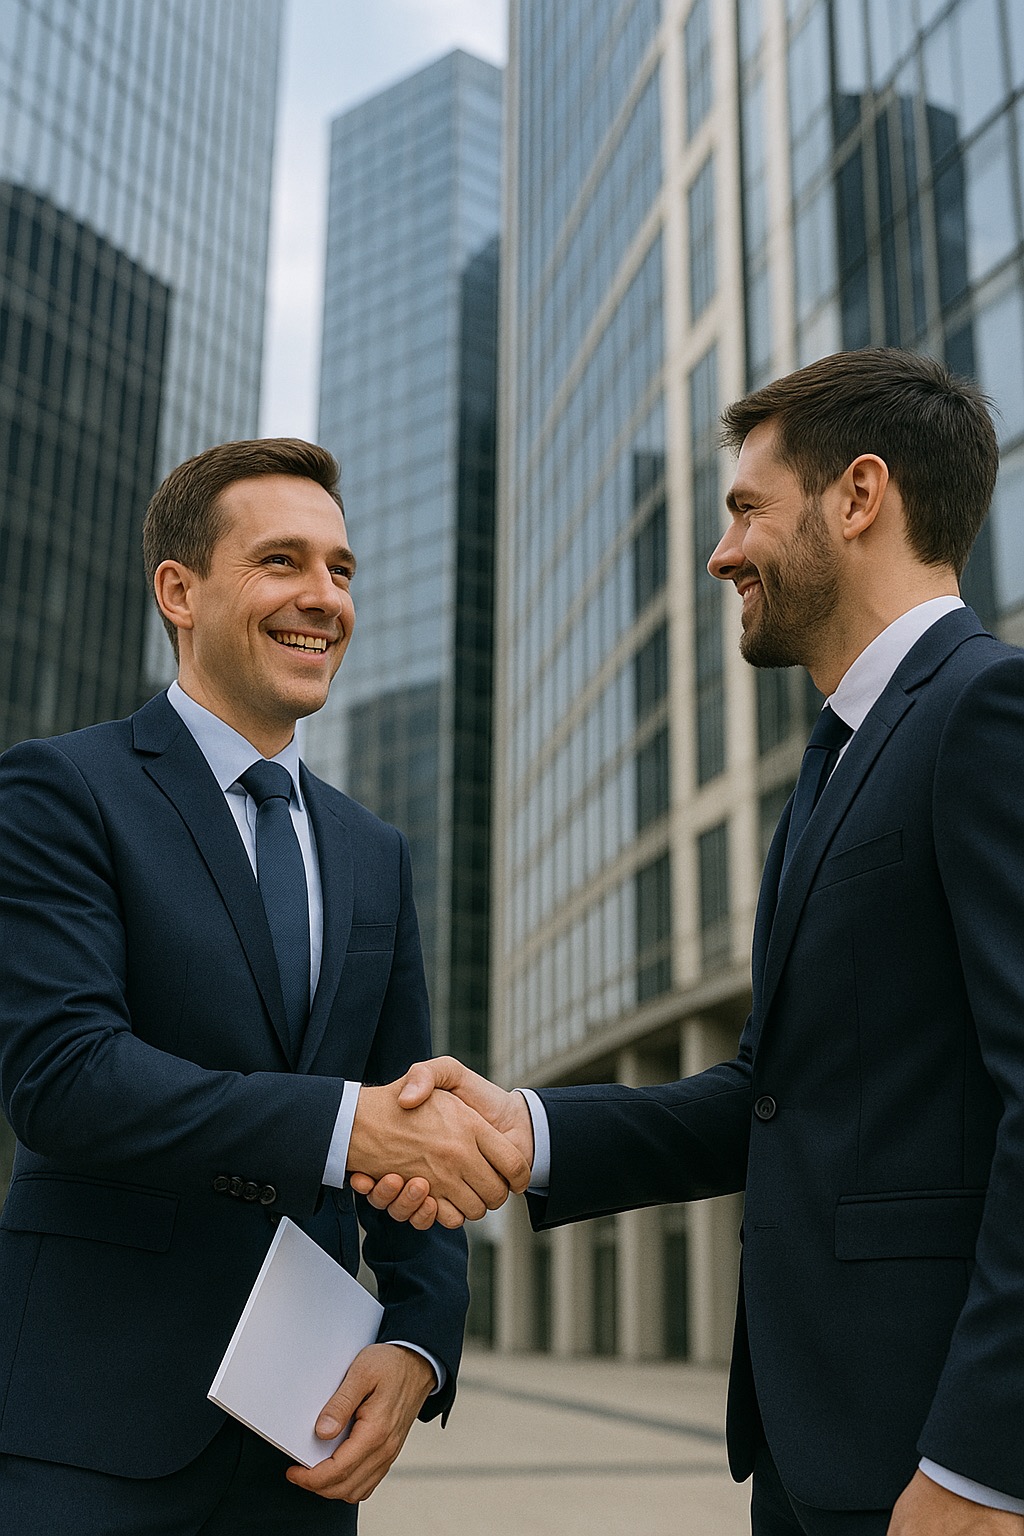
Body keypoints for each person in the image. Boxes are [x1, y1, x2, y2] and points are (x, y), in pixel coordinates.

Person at [355, 351, 1024, 1534]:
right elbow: (777, 1093)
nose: (722, 555)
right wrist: (527, 1126)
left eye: (745, 510)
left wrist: (984, 1464)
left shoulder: (984, 712)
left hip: (938, 1460)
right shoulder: (833, 765)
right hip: (816, 1447)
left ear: (858, 495)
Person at [0, 438, 529, 1534]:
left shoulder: (373, 851)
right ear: (179, 592)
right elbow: (65, 1077)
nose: (323, 598)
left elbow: (409, 1109)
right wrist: (349, 1129)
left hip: (303, 1438)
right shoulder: (61, 789)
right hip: (88, 1427)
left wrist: (419, 1339)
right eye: (283, 562)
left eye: (341, 570)